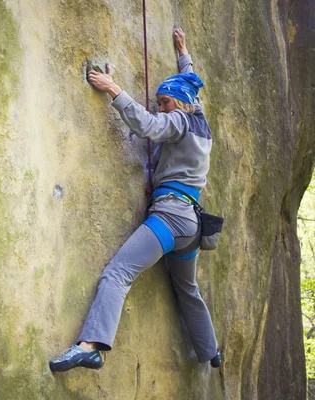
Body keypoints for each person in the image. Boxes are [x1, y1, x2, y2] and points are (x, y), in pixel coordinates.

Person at [49, 28, 222, 372]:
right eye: (160, 102)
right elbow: (188, 81)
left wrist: (113, 88)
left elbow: (147, 125)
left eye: (165, 102)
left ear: (181, 104)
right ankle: (211, 351)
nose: (161, 107)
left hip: (170, 219)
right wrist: (183, 52)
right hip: (190, 225)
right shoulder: (200, 121)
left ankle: (90, 346)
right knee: (187, 289)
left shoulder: (178, 121)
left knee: (117, 272)